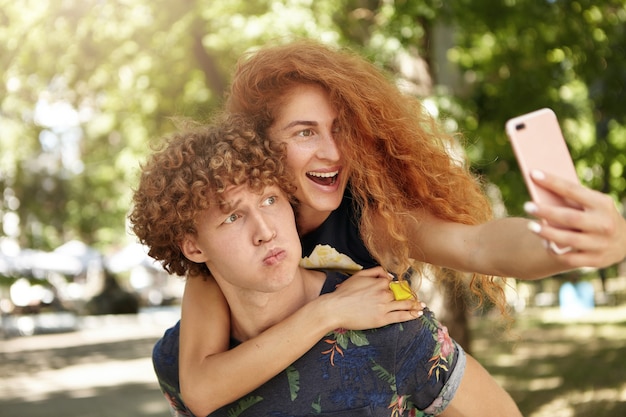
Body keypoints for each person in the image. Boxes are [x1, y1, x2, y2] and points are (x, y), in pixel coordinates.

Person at [168, 39, 626, 415]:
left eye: (339, 129)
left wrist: (566, 244)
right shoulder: (227, 247)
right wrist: (329, 313)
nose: (333, 152)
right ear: (257, 147)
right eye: (305, 132)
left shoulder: (370, 217)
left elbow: (478, 245)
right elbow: (203, 390)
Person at [130, 113, 523, 416]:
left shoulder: (388, 317)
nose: (265, 230)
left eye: (269, 200)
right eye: (232, 217)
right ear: (194, 248)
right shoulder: (176, 361)